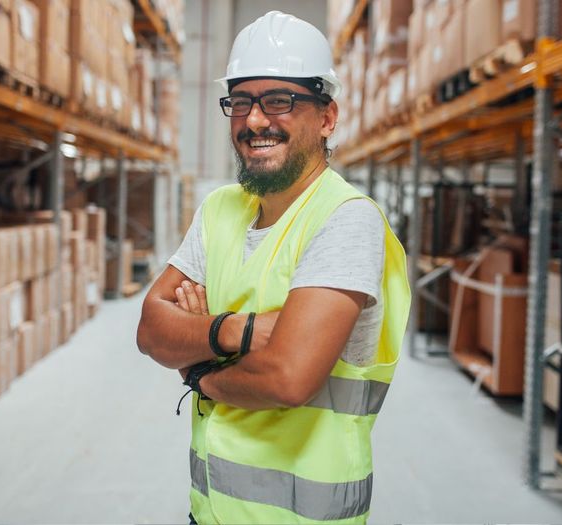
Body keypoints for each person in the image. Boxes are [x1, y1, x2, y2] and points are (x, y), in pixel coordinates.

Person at [136, 10, 410, 525]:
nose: (255, 120)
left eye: (280, 100)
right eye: (241, 102)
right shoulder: (219, 209)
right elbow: (151, 329)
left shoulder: (347, 220)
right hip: (209, 509)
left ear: (326, 118)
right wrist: (242, 330)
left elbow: (288, 377)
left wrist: (198, 369)